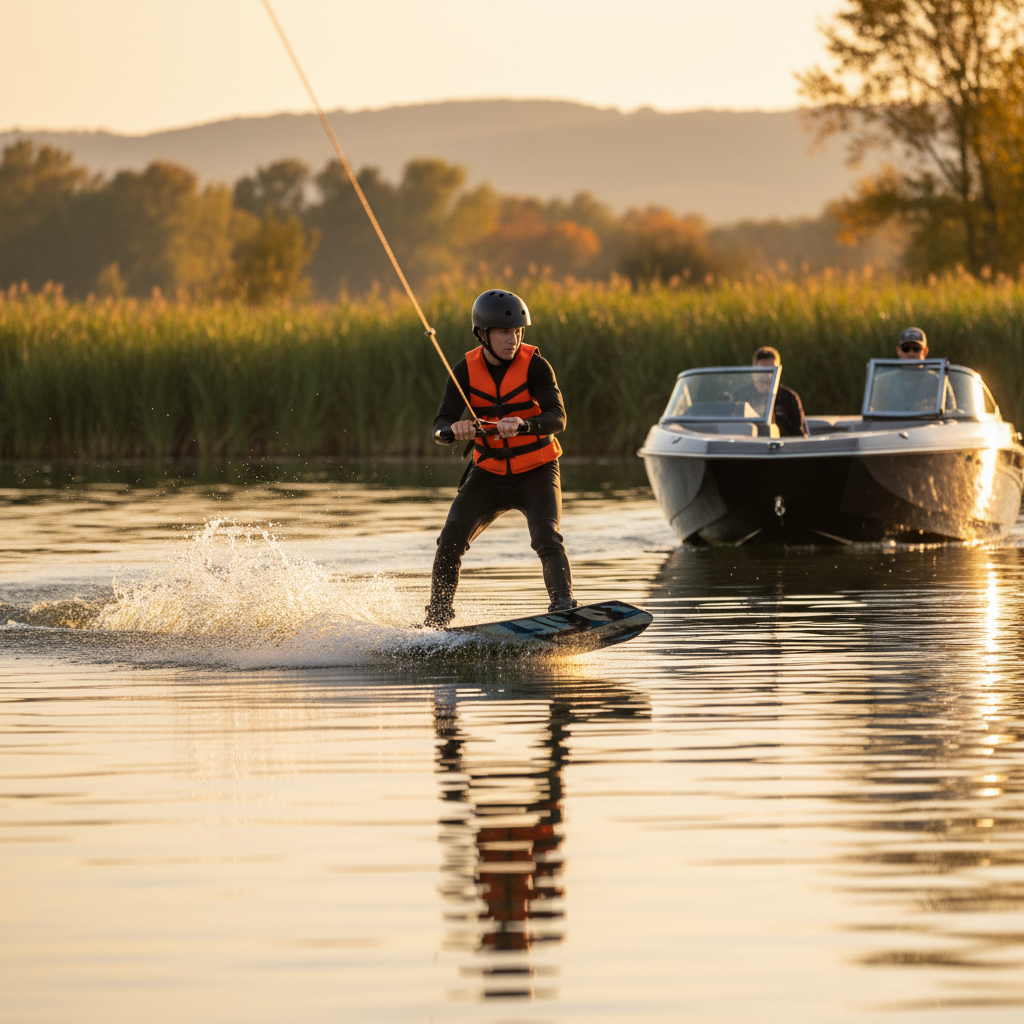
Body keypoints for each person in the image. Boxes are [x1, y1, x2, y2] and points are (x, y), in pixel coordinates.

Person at [423, 289, 575, 629]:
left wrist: (525, 425)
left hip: (537, 471)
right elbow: (439, 425)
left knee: (547, 536)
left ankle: (563, 607)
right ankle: (437, 620)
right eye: (505, 332)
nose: (513, 339)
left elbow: (558, 418)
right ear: (483, 334)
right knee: (449, 540)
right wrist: (453, 431)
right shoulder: (464, 370)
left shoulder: (536, 366)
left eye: (518, 332)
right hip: (488, 474)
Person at [870, 326, 953, 412]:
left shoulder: (938, 382)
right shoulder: (883, 382)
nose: (911, 353)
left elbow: (951, 413)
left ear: (925, 351)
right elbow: (875, 415)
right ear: (898, 350)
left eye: (916, 349)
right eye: (906, 349)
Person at [751, 346, 808, 437]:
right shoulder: (740, 397)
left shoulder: (789, 398)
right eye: (763, 370)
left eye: (771, 371)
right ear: (753, 371)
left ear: (778, 372)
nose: (767, 375)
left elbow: (799, 435)